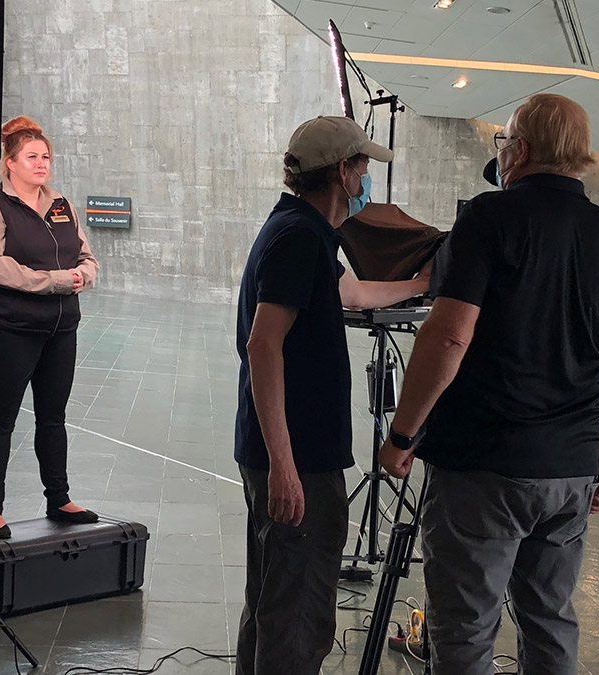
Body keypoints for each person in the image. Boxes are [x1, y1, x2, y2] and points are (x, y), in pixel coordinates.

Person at [378, 94, 599, 674]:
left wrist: (403, 434)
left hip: (484, 467)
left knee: (466, 625)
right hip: (570, 470)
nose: (500, 153)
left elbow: (449, 337)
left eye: (502, 142)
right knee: (550, 619)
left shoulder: (488, 218)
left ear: (519, 150)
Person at [234, 115, 430, 675]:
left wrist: (422, 285)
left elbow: (354, 292)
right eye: (364, 165)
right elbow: (263, 347)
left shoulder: (301, 229)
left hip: (284, 451)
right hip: (298, 456)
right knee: (298, 615)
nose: (368, 176)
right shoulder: (299, 238)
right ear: (343, 171)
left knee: (274, 603)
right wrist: (285, 467)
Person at [0, 115, 100, 539]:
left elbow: (86, 256)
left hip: (62, 328)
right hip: (12, 327)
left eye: (46, 157)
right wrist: (55, 282)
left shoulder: (62, 204)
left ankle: (58, 498)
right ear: (11, 163)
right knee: (2, 417)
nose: (41, 164)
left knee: (53, 418)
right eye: (31, 157)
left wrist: (85, 274)